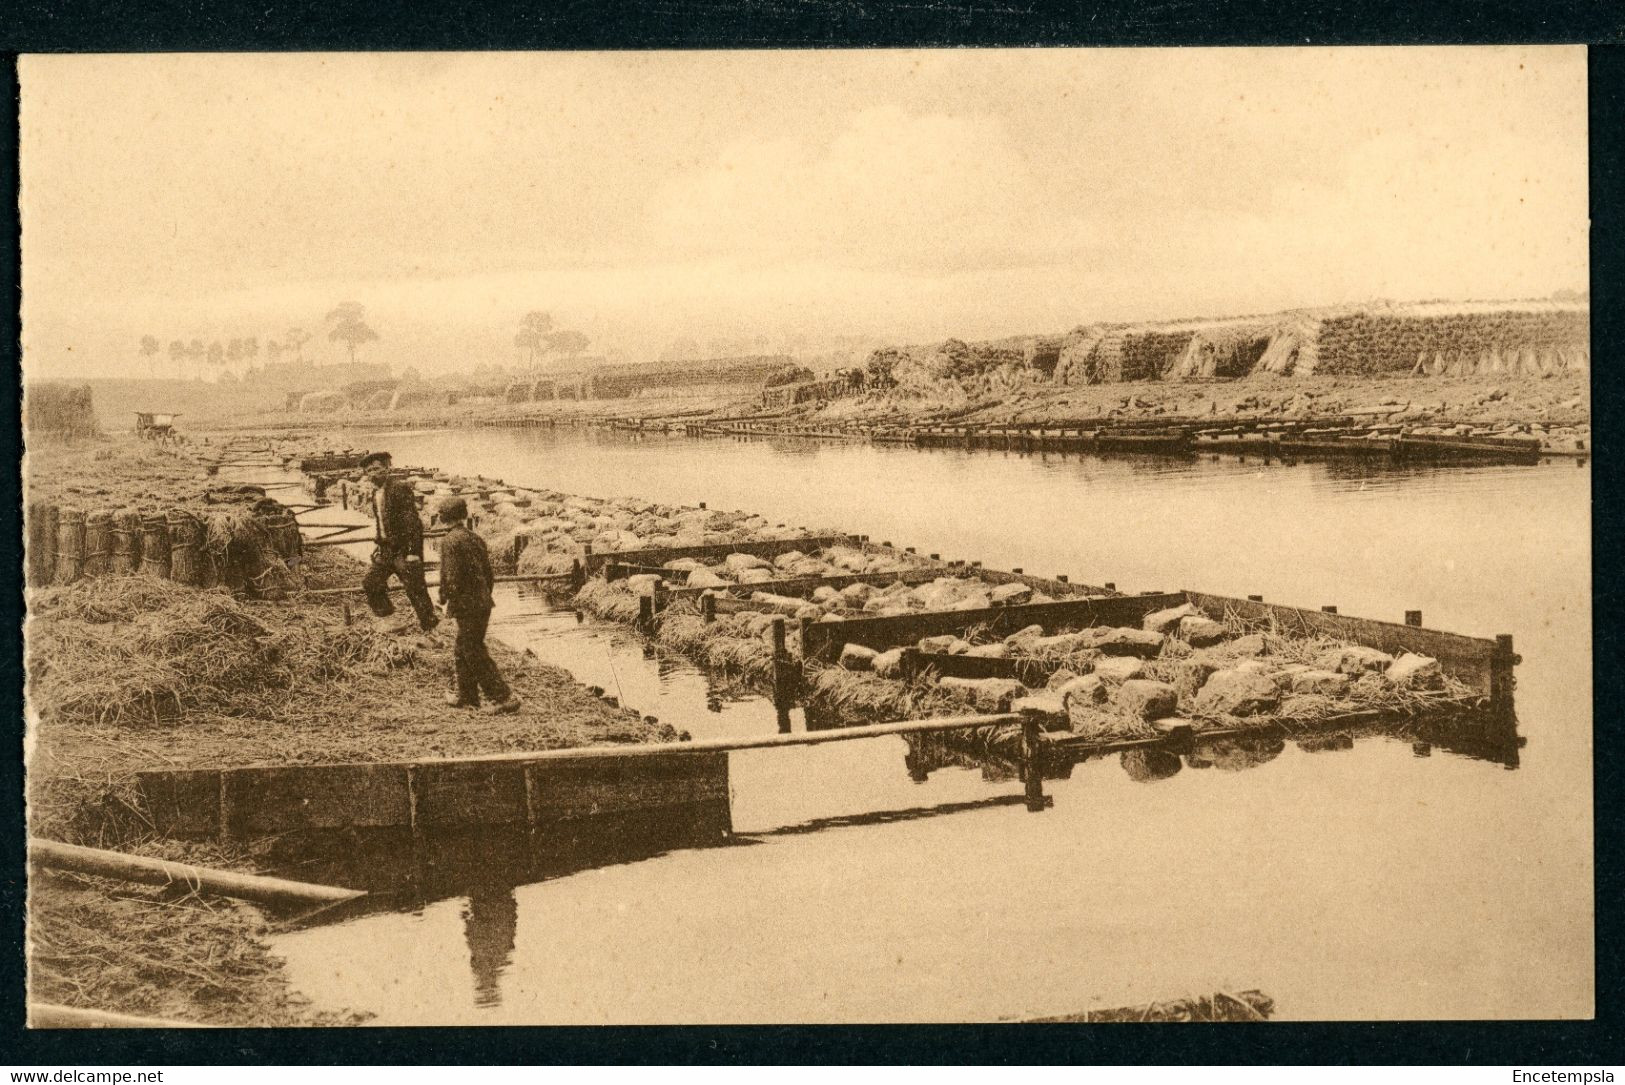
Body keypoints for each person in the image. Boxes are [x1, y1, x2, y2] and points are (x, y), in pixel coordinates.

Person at [436, 496, 521, 714]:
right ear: (463, 516)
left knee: (472, 649)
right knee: (463, 647)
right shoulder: (474, 538)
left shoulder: (449, 541)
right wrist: (484, 595)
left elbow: (451, 576)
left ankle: (502, 697)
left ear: (443, 518)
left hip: (465, 604)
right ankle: (468, 697)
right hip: (482, 601)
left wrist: (444, 597)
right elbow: (488, 573)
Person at [359, 451, 439, 634]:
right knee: (371, 582)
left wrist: (412, 552)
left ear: (388, 468)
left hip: (404, 551)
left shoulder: (399, 489)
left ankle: (431, 629)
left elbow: (413, 522)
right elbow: (381, 524)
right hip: (386, 551)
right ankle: (391, 620)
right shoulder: (375, 494)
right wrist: (378, 547)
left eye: (377, 469)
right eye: (369, 470)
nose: (372, 473)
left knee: (415, 589)